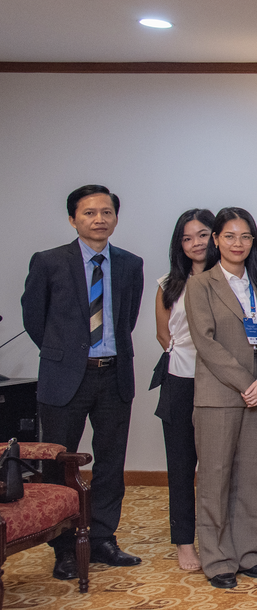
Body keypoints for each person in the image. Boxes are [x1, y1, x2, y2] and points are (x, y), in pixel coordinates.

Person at [22, 184, 145, 580]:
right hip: (64, 377)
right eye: (89, 213)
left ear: (115, 218)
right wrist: (66, 354)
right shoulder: (49, 262)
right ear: (73, 219)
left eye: (106, 212)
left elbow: (127, 318)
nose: (99, 219)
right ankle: (65, 548)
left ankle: (103, 539)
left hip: (114, 374)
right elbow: (34, 318)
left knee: (111, 462)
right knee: (59, 465)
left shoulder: (130, 264)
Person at [185, 207, 257, 589]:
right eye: (229, 236)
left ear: (253, 241)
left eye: (245, 236)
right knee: (215, 478)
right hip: (219, 395)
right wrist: (246, 382)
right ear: (216, 240)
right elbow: (206, 343)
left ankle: (247, 553)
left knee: (250, 476)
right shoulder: (201, 285)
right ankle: (217, 557)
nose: (237, 243)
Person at [153, 208, 214, 573]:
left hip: (219, 382)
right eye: (187, 238)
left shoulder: (231, 279)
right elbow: (164, 336)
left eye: (202, 234)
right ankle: (185, 543)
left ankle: (215, 538)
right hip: (179, 381)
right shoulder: (168, 284)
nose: (196, 243)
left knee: (216, 468)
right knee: (180, 467)